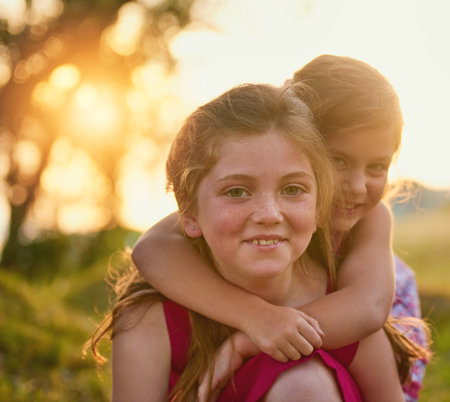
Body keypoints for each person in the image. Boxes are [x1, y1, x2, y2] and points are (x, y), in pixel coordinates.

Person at [131, 55, 431, 401]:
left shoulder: (373, 218)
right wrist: (255, 317)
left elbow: (367, 309)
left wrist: (248, 340)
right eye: (337, 161)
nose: (357, 185)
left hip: (377, 331)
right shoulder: (261, 210)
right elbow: (151, 250)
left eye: (377, 166)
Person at [91, 83, 364, 400]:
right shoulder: (150, 322)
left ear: (319, 205)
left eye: (292, 189)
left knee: (304, 385)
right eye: (237, 191)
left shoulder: (343, 301)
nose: (268, 214)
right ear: (190, 214)